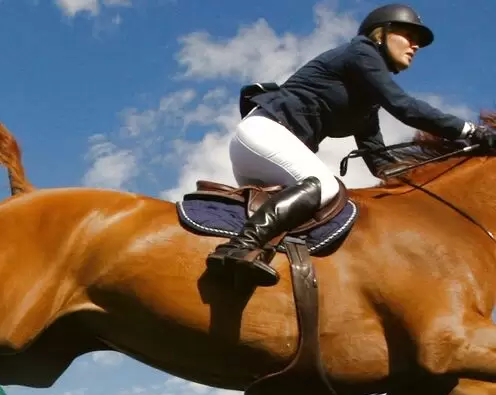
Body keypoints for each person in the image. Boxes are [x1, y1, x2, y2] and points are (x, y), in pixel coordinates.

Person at [207, 4, 496, 287]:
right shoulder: (361, 52)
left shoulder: (366, 105)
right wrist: (471, 131)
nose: (415, 46)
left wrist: (439, 176)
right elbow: (404, 107)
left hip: (265, 151)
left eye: (417, 41)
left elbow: (380, 162)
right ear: (381, 34)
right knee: (326, 187)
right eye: (409, 36)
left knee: (308, 223)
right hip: (264, 133)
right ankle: (237, 249)